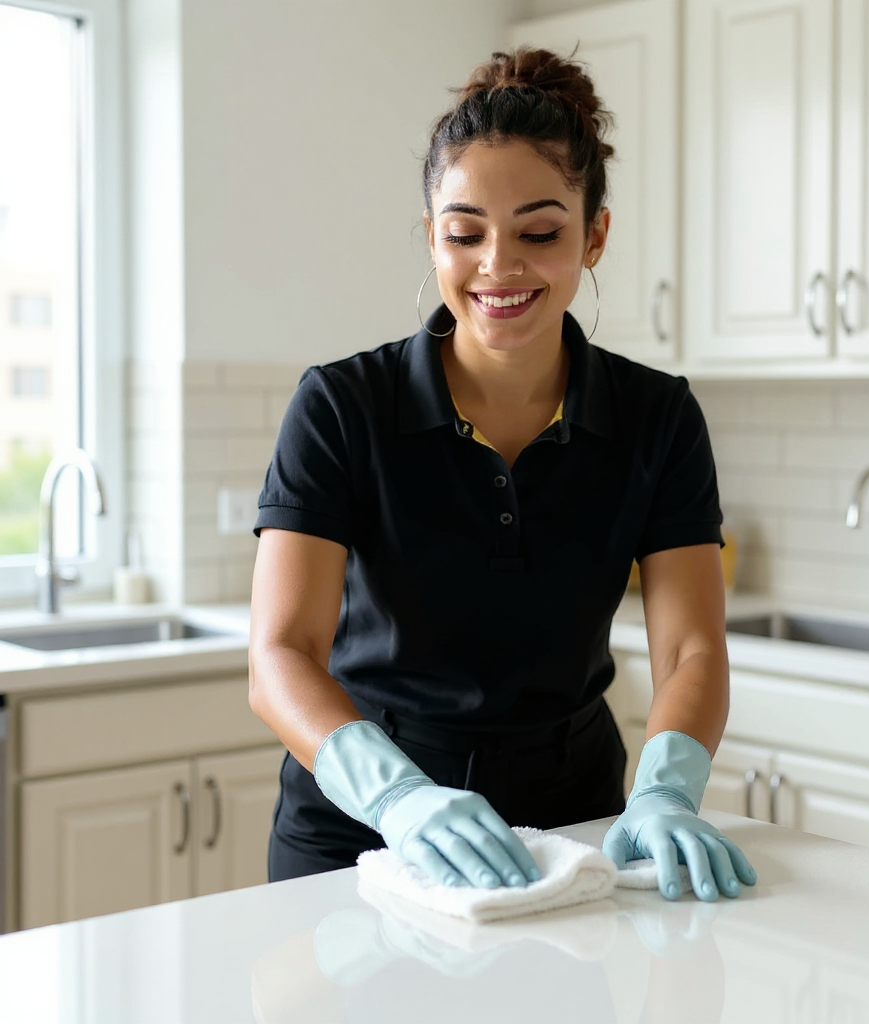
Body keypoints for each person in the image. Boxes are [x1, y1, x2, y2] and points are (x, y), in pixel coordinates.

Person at [248, 46, 757, 903]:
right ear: (431, 237)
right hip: (362, 832)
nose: (498, 265)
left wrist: (668, 788)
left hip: (575, 824)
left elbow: (691, 648)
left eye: (540, 231)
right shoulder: (341, 407)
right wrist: (399, 798)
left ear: (594, 235)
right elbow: (281, 656)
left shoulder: (658, 418)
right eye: (465, 232)